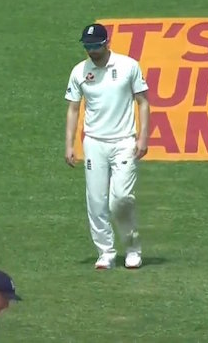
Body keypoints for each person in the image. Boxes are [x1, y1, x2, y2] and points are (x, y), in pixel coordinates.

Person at [64, 23, 151, 269]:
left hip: (124, 141)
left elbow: (143, 102)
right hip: (94, 142)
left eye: (96, 45)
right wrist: (69, 144)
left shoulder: (128, 66)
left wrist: (143, 137)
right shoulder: (80, 71)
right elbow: (73, 108)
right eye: (87, 46)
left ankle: (132, 248)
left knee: (121, 199)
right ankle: (106, 253)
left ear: (107, 42)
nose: (91, 50)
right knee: (96, 201)